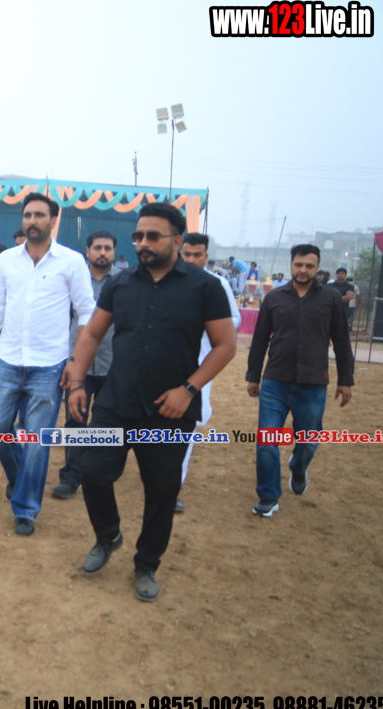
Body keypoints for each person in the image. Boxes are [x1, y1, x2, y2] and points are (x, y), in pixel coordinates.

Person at [67, 202, 236, 602]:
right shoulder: (120, 284)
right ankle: (108, 536)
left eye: (153, 236)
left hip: (169, 410)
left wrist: (188, 390)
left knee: (161, 491)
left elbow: (225, 346)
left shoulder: (205, 287)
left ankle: (146, 564)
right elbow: (92, 334)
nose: (143, 243)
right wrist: (76, 382)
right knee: (92, 471)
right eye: (138, 235)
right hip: (115, 401)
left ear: (177, 240)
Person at [0, 193, 95, 535]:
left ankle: (26, 508)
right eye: (27, 214)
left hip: (50, 365)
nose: (32, 220)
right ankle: (20, 477)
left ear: (53, 220)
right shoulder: (6, 261)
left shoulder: (71, 262)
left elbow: (86, 312)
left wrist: (75, 361)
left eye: (40, 215)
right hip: (7, 360)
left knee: (37, 440)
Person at [246, 244, 353, 518]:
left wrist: (346, 380)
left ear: (317, 268)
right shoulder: (274, 298)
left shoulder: (331, 298)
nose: (303, 270)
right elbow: (260, 339)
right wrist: (253, 376)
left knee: (308, 441)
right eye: (298, 265)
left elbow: (342, 341)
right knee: (267, 440)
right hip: (275, 381)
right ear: (291, 265)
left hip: (314, 383)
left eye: (309, 265)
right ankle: (268, 496)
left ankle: (298, 466)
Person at [51, 230, 119, 500]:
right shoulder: (73, 278)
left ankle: (98, 475)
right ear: (88, 251)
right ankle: (71, 476)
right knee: (75, 418)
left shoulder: (124, 282)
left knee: (107, 421)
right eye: (97, 248)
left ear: (114, 252)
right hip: (78, 363)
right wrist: (69, 358)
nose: (102, 253)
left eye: (108, 248)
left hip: (113, 363)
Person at [177, 233, 241, 512]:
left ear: (206, 257)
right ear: (179, 253)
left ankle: (173, 485)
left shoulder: (217, 284)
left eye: (197, 255)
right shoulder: (165, 280)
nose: (191, 259)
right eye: (187, 254)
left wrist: (209, 323)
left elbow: (234, 319)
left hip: (200, 366)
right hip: (162, 363)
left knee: (186, 426)